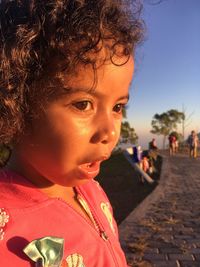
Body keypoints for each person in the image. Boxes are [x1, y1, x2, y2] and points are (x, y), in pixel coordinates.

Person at [0, 0, 143, 266]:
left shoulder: (93, 191)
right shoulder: (6, 230)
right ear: (16, 102)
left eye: (118, 107)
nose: (110, 132)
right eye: (82, 104)